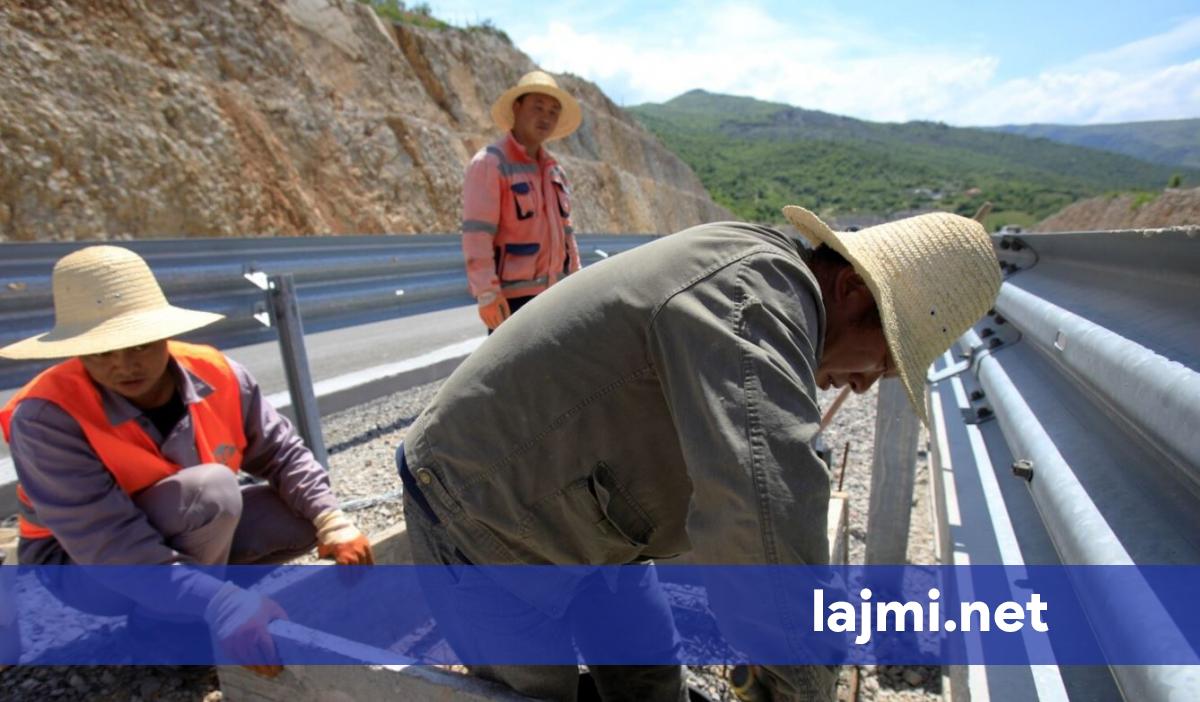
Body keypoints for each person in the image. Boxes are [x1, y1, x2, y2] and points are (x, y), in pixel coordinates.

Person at [398, 206, 1001, 700]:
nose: (866, 384)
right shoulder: (752, 299)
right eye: (884, 359)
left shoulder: (767, 282)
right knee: (538, 693)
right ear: (849, 288)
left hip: (590, 522)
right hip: (476, 514)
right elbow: (763, 508)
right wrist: (805, 686)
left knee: (650, 680)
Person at [0, 245, 374, 673]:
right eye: (101, 352)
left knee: (298, 514)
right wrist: (221, 603)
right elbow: (109, 540)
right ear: (78, 351)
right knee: (212, 493)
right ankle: (165, 631)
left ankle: (188, 604)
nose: (123, 364)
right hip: (79, 563)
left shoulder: (217, 374)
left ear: (163, 334)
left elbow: (283, 454)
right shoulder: (47, 416)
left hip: (176, 525)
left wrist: (331, 519)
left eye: (137, 344)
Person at [461, 70, 583, 331]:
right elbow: (477, 236)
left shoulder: (554, 170)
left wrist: (577, 283)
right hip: (513, 301)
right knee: (519, 372)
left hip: (556, 294)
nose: (546, 117)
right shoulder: (491, 164)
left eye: (553, 111)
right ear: (517, 107)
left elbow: (567, 234)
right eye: (538, 107)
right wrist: (487, 295)